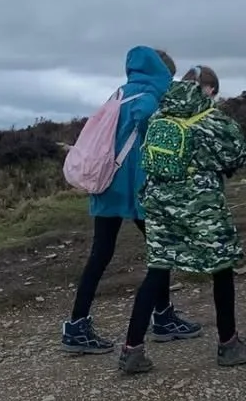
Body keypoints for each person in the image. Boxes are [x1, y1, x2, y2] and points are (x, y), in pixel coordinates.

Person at [117, 66, 246, 375]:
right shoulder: (211, 119)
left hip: (158, 201)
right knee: (221, 268)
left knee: (157, 267)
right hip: (200, 204)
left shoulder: (160, 114)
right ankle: (229, 344)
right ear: (208, 89)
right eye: (214, 92)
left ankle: (131, 350)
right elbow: (240, 153)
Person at [61, 47, 203, 354]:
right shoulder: (149, 96)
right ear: (163, 72)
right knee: (161, 250)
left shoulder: (119, 93)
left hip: (106, 184)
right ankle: (163, 318)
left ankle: (76, 325)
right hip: (135, 189)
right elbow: (150, 132)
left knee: (100, 255)